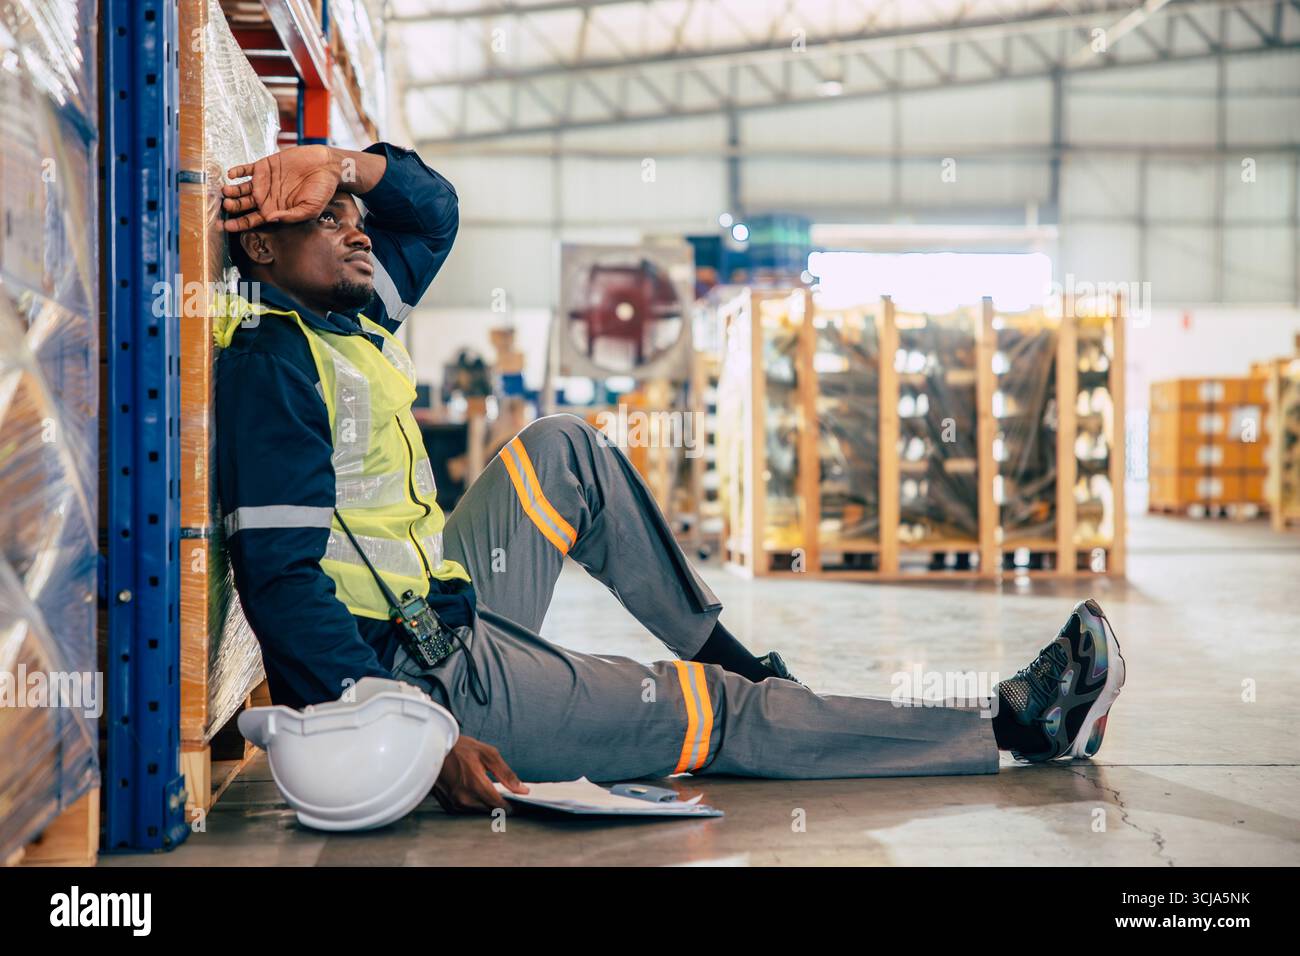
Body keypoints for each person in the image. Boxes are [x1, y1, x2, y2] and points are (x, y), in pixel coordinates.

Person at [214, 142, 1126, 814]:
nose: (356, 228)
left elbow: (435, 208)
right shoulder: (277, 364)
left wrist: (338, 166)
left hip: (440, 611)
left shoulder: (351, 315)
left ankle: (724, 651)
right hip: (421, 681)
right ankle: (1012, 728)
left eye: (352, 215)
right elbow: (282, 584)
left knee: (565, 444)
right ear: (261, 251)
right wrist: (417, 735)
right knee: (716, 718)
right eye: (326, 220)